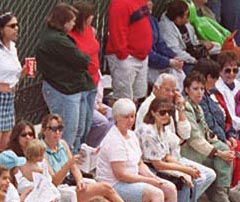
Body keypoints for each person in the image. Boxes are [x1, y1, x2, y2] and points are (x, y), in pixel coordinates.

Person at [41, 113, 146, 202]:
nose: (57, 133)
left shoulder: (63, 144)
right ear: (44, 130)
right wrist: (68, 164)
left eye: (60, 129)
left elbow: (74, 168)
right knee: (106, 188)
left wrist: (80, 180)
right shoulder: (42, 151)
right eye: (53, 129)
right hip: (60, 194)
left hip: (73, 186)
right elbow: (53, 182)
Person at [138, 97, 212, 202]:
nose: (166, 115)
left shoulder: (163, 128)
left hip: (159, 163)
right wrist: (184, 171)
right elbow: (157, 164)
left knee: (192, 177)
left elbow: (166, 156)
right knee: (182, 182)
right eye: (162, 112)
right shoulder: (148, 131)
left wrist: (186, 168)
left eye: (169, 112)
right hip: (148, 167)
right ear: (153, 113)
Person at [97, 98, 179, 202]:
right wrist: (149, 180)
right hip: (114, 184)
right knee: (156, 194)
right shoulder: (114, 140)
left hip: (131, 179)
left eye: (132, 116)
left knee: (170, 188)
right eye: (126, 117)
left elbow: (139, 163)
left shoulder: (132, 135)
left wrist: (154, 178)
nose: (130, 120)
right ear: (117, 118)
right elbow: (121, 175)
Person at [35, 4, 96, 154]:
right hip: (62, 89)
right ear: (63, 21)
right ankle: (63, 165)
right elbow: (81, 59)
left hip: (71, 87)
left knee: (78, 129)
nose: (74, 24)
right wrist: (84, 59)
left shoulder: (59, 37)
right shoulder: (56, 40)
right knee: (67, 131)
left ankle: (71, 163)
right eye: (71, 21)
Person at [179, 72, 240, 202]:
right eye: (195, 88)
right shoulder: (186, 108)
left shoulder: (198, 107)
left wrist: (223, 145)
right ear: (187, 90)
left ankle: (220, 201)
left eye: (201, 88)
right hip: (188, 153)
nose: (199, 92)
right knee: (222, 156)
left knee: (226, 151)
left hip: (199, 151)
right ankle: (220, 198)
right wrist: (219, 152)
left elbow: (207, 133)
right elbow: (195, 140)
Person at [68, 4, 113, 148]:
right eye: (89, 15)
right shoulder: (70, 36)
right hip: (81, 84)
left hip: (93, 82)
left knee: (87, 123)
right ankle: (76, 152)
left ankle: (88, 151)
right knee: (79, 125)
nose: (92, 17)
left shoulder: (89, 31)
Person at [107, 0, 154, 102]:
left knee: (140, 96)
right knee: (124, 100)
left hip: (140, 56)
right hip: (126, 58)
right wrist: (123, 54)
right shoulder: (119, 3)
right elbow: (117, 31)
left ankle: (136, 118)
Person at [0, 12, 24, 152]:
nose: (16, 28)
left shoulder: (13, 48)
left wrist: (24, 72)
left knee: (5, 145)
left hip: (9, 98)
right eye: (12, 26)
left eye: (17, 25)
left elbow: (13, 75)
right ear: (2, 29)